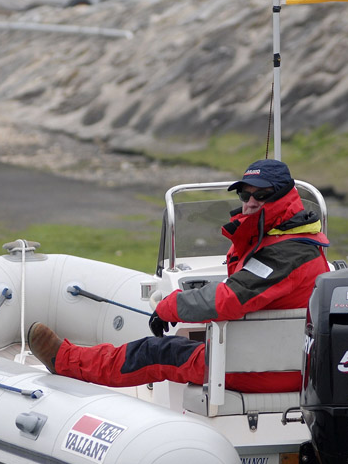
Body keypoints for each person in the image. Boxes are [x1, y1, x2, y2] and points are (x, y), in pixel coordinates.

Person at [27, 158, 330, 394]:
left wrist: (169, 306)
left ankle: (64, 360)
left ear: (284, 199)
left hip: (260, 370)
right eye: (244, 193)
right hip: (277, 362)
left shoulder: (284, 254)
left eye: (262, 195)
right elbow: (247, 288)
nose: (250, 202)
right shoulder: (296, 244)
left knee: (154, 351)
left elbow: (229, 298)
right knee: (172, 347)